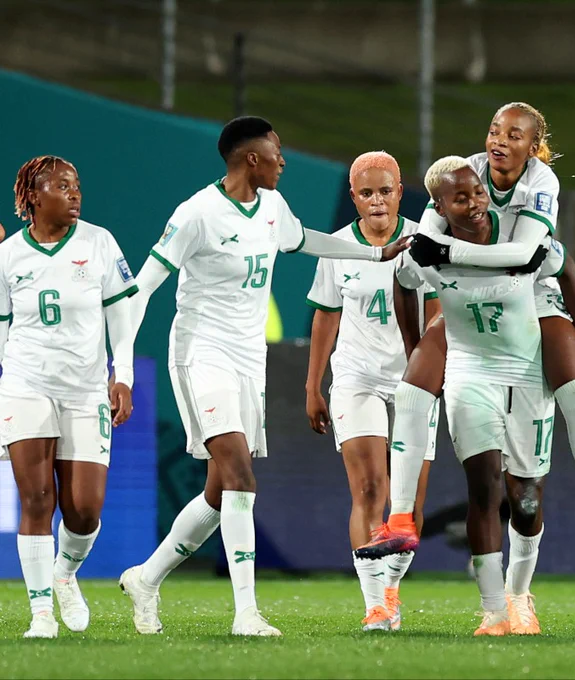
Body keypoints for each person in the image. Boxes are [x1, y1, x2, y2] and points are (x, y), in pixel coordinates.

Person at [118, 117, 409, 637]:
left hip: (249, 360)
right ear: (251, 159)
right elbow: (141, 290)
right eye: (276, 152)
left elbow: (309, 240)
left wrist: (374, 252)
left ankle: (146, 577)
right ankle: (246, 614)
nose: (283, 161)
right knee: (240, 478)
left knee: (218, 492)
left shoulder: (272, 206)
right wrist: (122, 370)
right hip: (202, 353)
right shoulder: (196, 213)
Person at [358, 102, 575, 564]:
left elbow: (530, 257)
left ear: (533, 147)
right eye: (494, 130)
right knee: (411, 392)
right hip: (469, 302)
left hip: (531, 296)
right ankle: (400, 519)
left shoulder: (540, 184)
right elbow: (412, 263)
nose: (500, 141)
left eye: (514, 135)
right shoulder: (461, 174)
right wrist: (415, 345)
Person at [380, 157, 566, 635]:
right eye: (460, 198)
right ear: (439, 208)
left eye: (478, 192)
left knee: (526, 500)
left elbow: (567, 272)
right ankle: (494, 610)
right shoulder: (425, 252)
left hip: (525, 374)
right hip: (470, 373)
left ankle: (519, 594)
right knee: (483, 487)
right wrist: (414, 343)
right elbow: (402, 280)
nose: (476, 203)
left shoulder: (519, 236)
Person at [305, 151, 441, 632]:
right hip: (356, 377)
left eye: (385, 191)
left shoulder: (424, 242)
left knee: (409, 505)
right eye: (367, 193)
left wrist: (435, 372)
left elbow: (437, 314)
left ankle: (392, 592)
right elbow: (326, 315)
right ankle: (375, 605)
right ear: (354, 198)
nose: (377, 200)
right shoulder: (337, 247)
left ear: (400, 192)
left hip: (414, 381)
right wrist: (313, 384)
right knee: (369, 488)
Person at [0, 156, 136, 638]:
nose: (74, 193)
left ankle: (64, 573)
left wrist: (123, 376)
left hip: (85, 388)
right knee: (37, 498)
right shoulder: (8, 255)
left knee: (84, 510)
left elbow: (121, 315)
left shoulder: (99, 243)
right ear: (33, 197)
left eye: (75, 185)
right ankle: (41, 614)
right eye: (60, 186)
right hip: (26, 384)